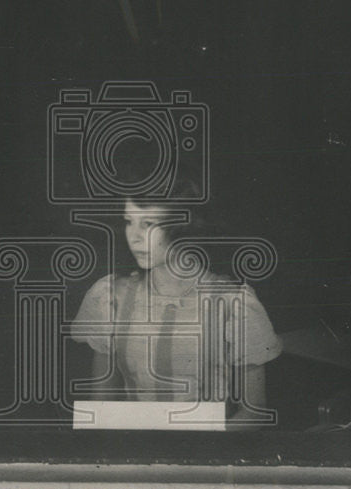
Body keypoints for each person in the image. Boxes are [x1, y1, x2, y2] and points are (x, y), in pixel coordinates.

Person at [71, 179, 282, 422]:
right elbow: (101, 405)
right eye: (129, 221)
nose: (134, 237)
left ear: (185, 226)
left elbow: (254, 412)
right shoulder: (111, 296)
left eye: (149, 223)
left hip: (208, 451)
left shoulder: (233, 304)